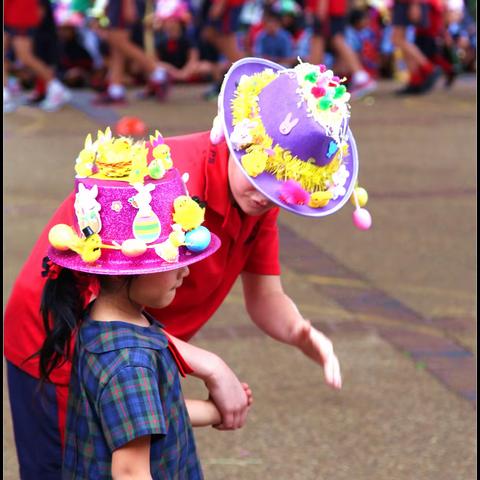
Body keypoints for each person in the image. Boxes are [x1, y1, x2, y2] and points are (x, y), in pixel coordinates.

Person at [5, 58, 371, 478]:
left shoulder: (260, 197)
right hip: (63, 344)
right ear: (238, 140)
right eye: (261, 175)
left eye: (283, 188)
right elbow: (102, 315)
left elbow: (266, 296)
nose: (267, 196)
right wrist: (208, 364)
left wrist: (300, 332)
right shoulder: (164, 183)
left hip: (141, 350)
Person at [32, 135, 252, 478]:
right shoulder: (129, 362)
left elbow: (143, 413)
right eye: (171, 261)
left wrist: (213, 412)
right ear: (128, 273)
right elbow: (131, 473)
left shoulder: (106, 324)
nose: (186, 270)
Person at [4, 0, 72, 112]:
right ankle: (4, 95)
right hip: (10, 12)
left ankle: (56, 87)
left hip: (20, 13)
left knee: (25, 56)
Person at [304, 0, 378, 98]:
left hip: (327, 9)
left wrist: (321, 8)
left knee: (323, 41)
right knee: (329, 41)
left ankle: (311, 83)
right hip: (334, 9)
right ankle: (313, 82)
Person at [390, 0, 443, 95]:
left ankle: (429, 68)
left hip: (408, 3)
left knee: (397, 39)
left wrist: (415, 4)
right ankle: (415, 80)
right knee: (402, 40)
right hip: (405, 4)